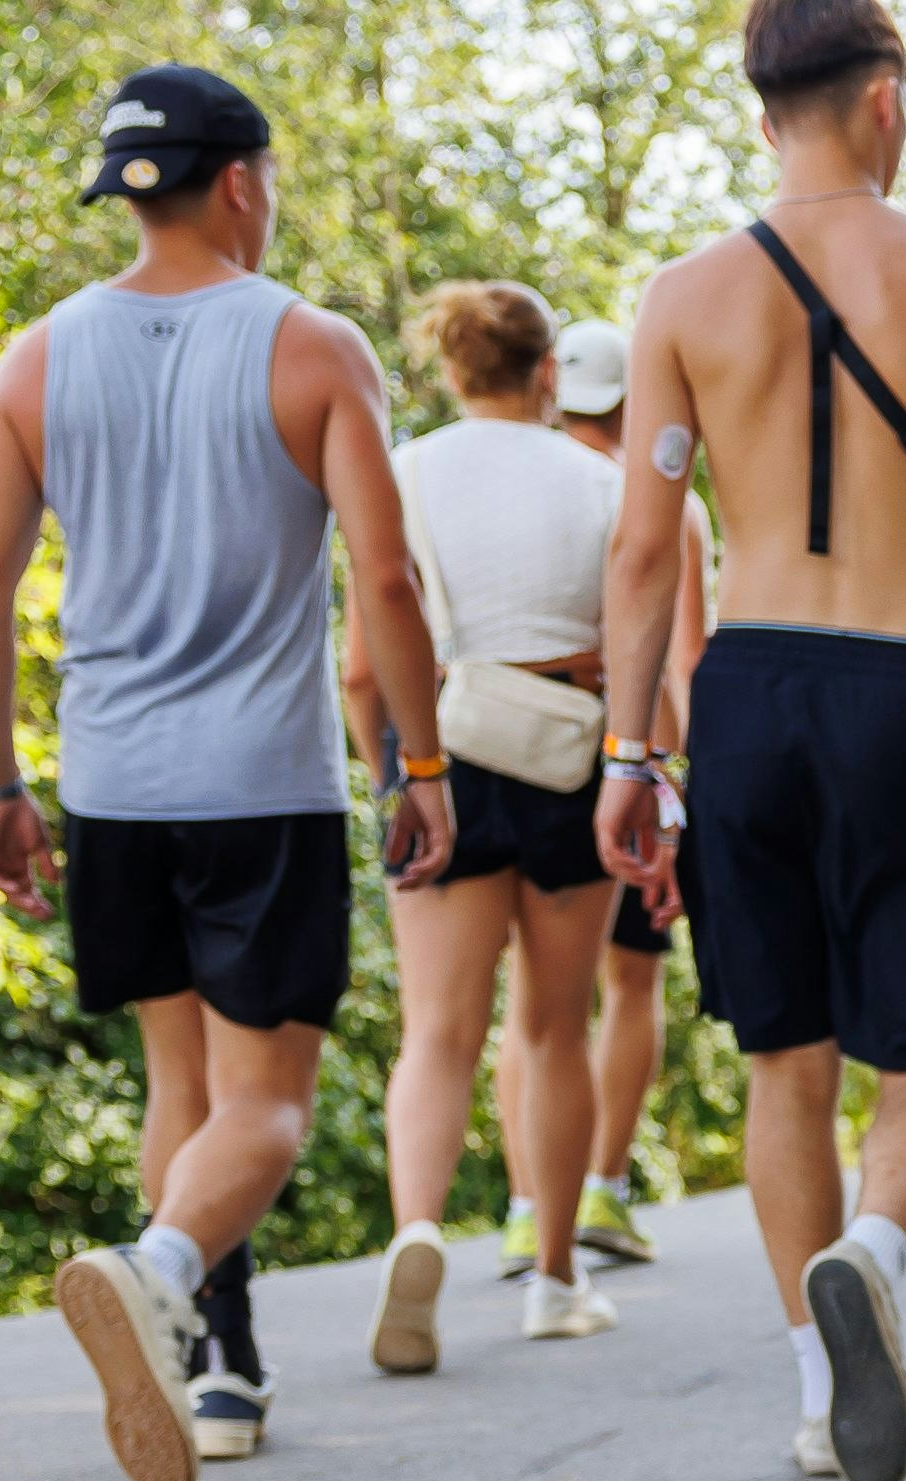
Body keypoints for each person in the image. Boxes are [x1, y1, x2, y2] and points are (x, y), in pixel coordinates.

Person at [594, 0, 906, 1481]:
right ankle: (871, 1256)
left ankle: (819, 1392)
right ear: (886, 101)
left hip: (747, 696)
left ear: (765, 113)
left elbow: (640, 547)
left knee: (783, 1063)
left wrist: (634, 752)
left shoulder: (680, 298)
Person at [0, 65, 454, 1481]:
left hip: (112, 779)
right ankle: (162, 1266)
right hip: (262, 783)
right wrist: (418, 762)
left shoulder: (39, 359)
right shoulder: (311, 348)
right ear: (240, 180)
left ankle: (220, 1367)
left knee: (185, 1080)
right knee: (271, 1104)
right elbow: (389, 577)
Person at [352, 280, 622, 1367]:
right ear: (549, 372)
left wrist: (387, 778)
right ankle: (554, 1277)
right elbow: (633, 632)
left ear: (452, 372)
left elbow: (365, 659)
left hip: (441, 751)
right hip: (570, 751)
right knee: (555, 1029)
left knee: (437, 1032)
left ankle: (416, 1228)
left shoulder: (404, 473)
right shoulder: (599, 480)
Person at [491, 315, 710, 1280]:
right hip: (632, 763)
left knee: (533, 1008)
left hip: (520, 753)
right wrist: (679, 779)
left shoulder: (513, 487)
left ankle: (526, 1201)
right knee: (627, 985)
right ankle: (605, 1191)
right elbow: (688, 659)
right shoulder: (664, 502)